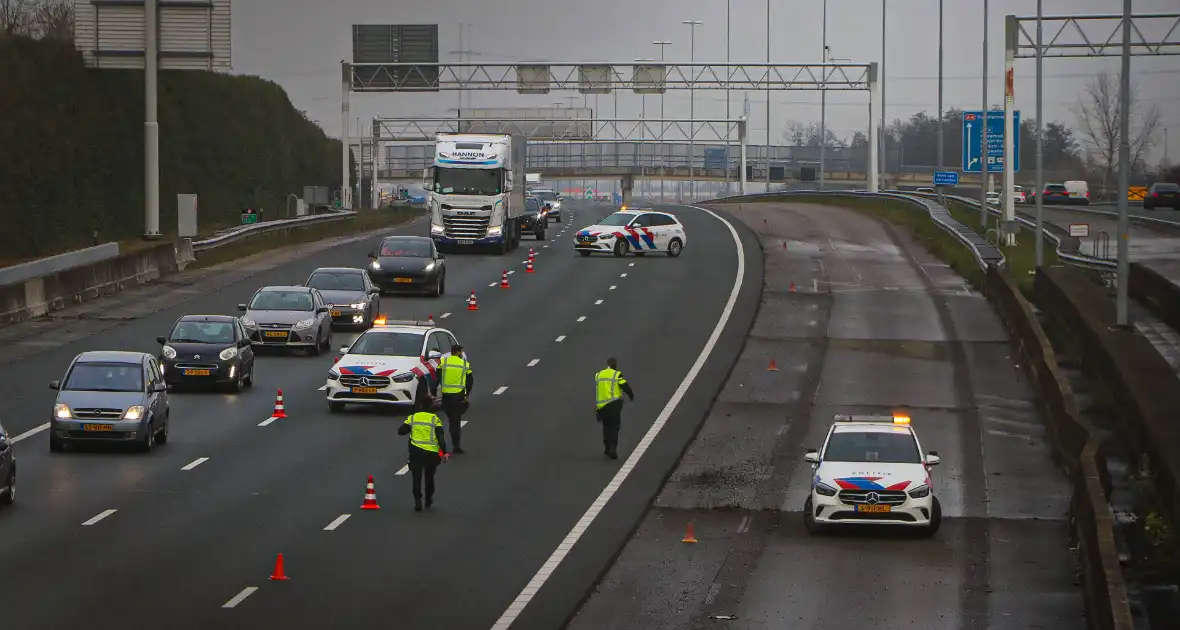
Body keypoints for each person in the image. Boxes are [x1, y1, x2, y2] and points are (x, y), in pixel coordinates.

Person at [396, 406, 449, 511]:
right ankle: (428, 499)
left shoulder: (413, 417)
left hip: (416, 453)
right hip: (432, 453)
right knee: (429, 477)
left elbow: (401, 431)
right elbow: (441, 438)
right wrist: (444, 453)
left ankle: (418, 500)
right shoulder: (435, 419)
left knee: (416, 477)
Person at [594, 357, 634, 460]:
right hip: (614, 404)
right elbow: (625, 386)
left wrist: (598, 409)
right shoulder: (617, 375)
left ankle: (607, 447)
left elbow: (599, 389)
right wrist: (631, 395)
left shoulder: (599, 375)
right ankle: (613, 448)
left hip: (601, 406)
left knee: (606, 426)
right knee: (614, 427)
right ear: (615, 365)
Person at [437, 344, 473, 454]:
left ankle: (452, 438)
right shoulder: (464, 364)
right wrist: (466, 395)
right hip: (458, 397)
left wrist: (441, 386)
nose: (462, 353)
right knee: (456, 422)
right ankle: (456, 445)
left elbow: (437, 375)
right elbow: (470, 381)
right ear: (458, 352)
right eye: (461, 352)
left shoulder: (444, 362)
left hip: (446, 397)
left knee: (451, 419)